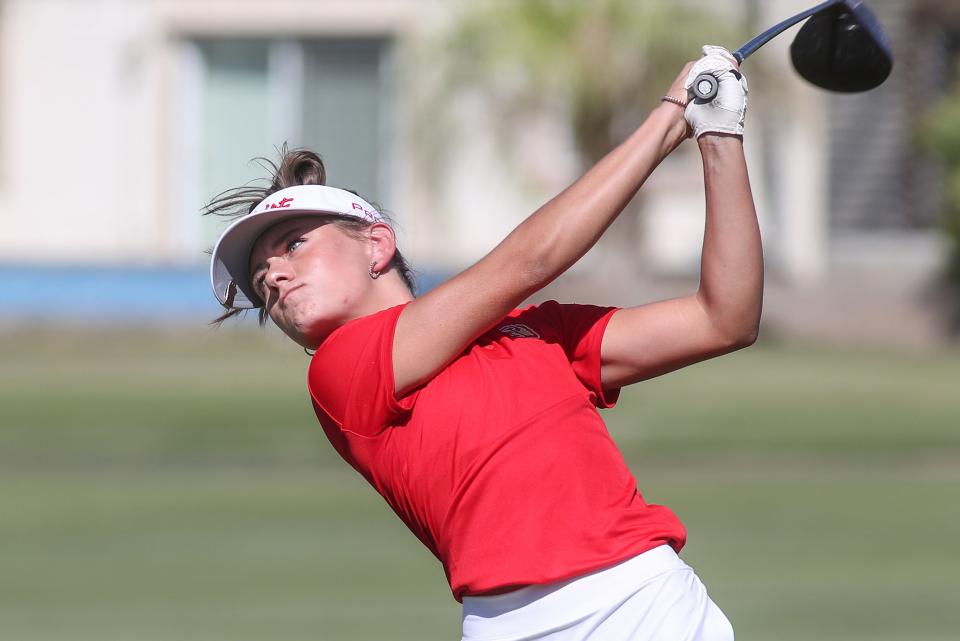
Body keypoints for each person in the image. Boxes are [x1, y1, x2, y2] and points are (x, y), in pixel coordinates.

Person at [206, 46, 759, 641]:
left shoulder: (532, 328)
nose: (276, 278)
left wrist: (717, 132)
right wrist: (672, 116)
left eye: (292, 245)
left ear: (376, 245)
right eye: (261, 283)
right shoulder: (340, 372)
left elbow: (723, 319)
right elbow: (529, 261)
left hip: (647, 602)